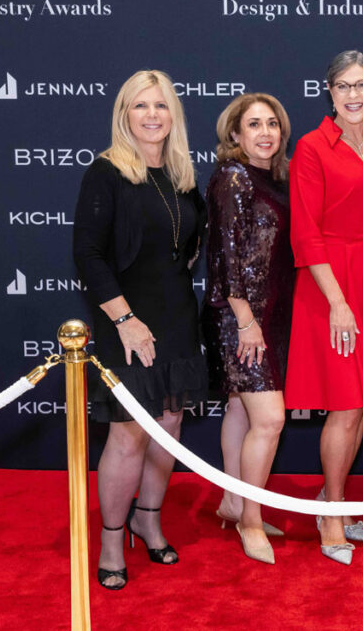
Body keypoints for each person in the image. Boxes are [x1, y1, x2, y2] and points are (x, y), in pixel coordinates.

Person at [73, 70, 207, 590]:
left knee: (169, 427)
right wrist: (126, 321)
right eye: (141, 106)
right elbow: (88, 255)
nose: (152, 115)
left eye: (161, 105)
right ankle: (111, 538)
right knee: (128, 434)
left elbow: (186, 247)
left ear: (174, 115)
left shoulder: (181, 176)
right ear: (124, 114)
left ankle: (147, 519)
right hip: (126, 320)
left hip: (177, 317)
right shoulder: (106, 172)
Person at [284, 50, 363, 565]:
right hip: (330, 285)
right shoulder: (312, 148)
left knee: (360, 405)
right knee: (347, 404)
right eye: (343, 86)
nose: (353, 95)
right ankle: (330, 511)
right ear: (329, 92)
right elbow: (305, 232)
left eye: (362, 85)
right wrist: (337, 301)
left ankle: (334, 499)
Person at [203, 93, 294, 565]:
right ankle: (251, 521)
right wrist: (244, 321)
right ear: (235, 133)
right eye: (254, 124)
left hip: (271, 315)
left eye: (272, 124)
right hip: (239, 316)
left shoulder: (277, 178)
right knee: (270, 419)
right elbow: (224, 258)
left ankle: (234, 501)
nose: (265, 132)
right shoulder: (233, 177)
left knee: (240, 408)